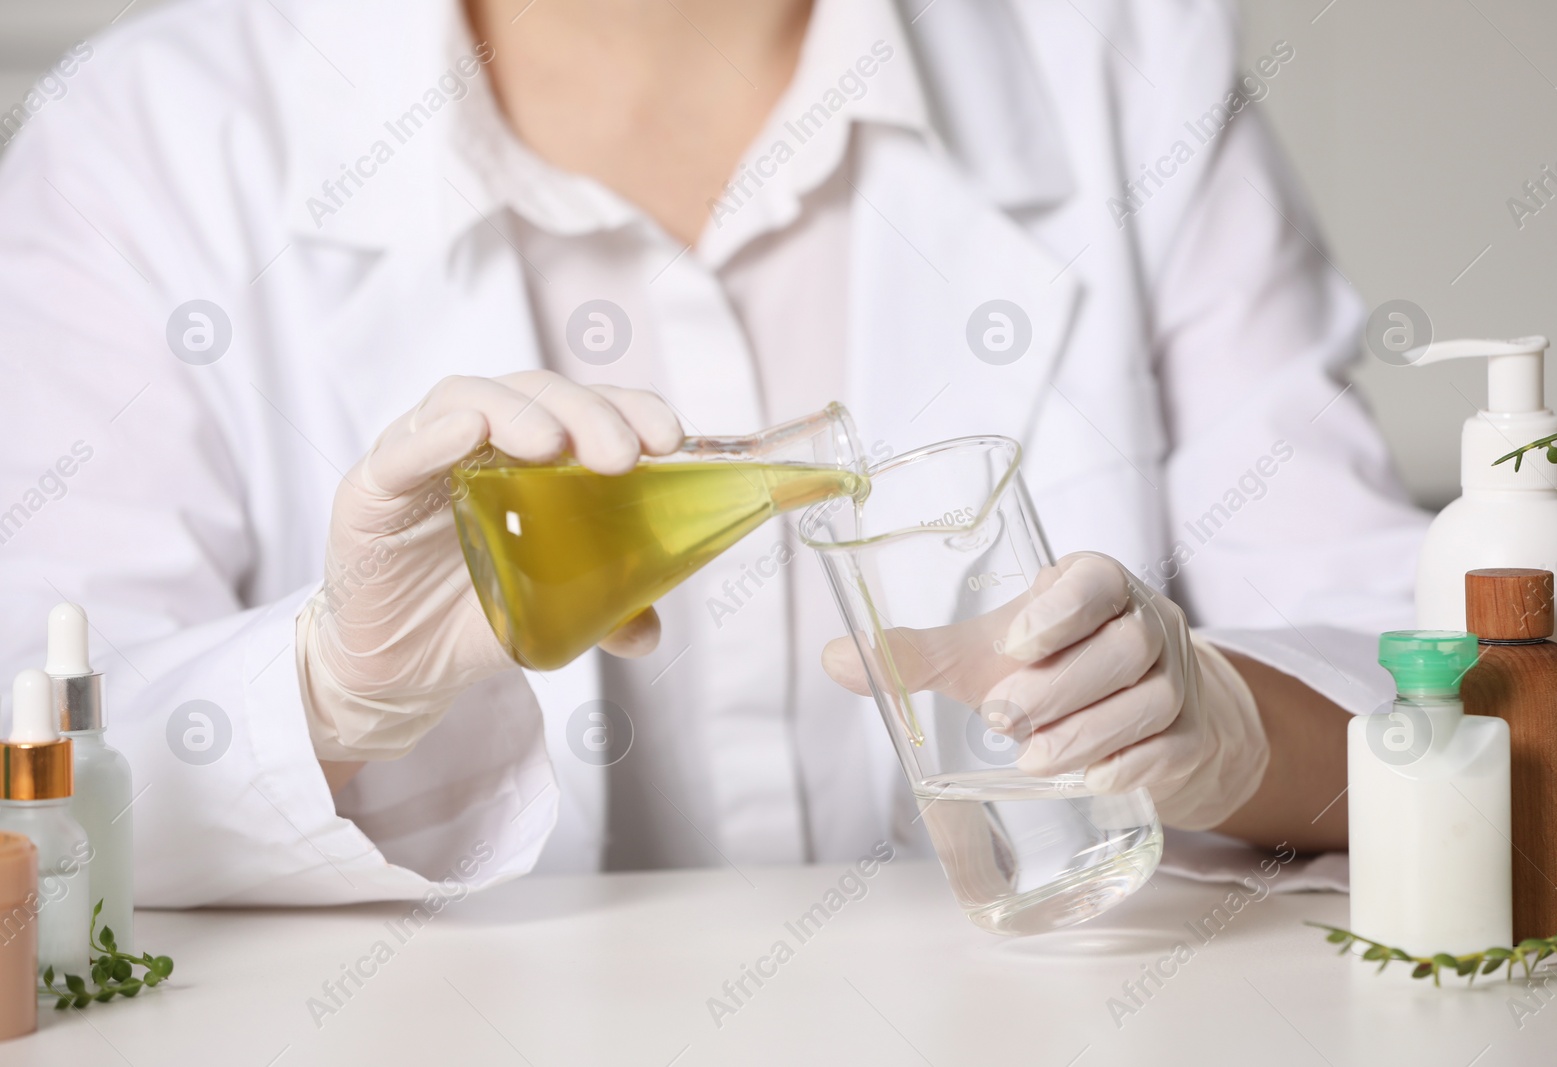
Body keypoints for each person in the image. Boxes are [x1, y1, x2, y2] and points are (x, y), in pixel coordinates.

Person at [0, 0, 1424, 906]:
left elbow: (1440, 693)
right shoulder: (148, 140)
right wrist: (329, 696)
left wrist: (1224, 727)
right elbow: (33, 771)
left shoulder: (1123, 60)